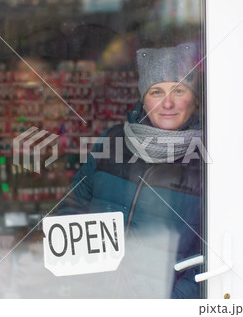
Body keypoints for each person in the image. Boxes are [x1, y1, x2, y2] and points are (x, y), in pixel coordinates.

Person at [57, 43, 203, 299]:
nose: (167, 103)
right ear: (144, 101)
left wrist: (174, 300)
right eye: (156, 92)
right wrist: (80, 277)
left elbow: (217, 248)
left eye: (179, 90)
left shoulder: (207, 160)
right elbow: (72, 206)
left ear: (195, 100)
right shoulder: (112, 142)